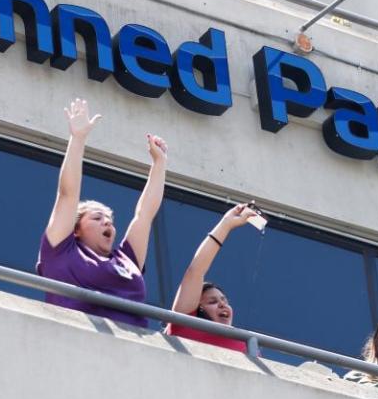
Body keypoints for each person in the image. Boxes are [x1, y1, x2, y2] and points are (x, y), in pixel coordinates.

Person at [36, 98, 166, 328]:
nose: (107, 223)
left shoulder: (126, 259)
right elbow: (67, 194)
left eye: (109, 220)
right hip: (77, 343)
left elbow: (145, 214)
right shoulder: (60, 251)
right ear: (76, 229)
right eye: (97, 218)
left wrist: (160, 163)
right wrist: (78, 138)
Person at [167, 202, 260, 352]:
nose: (223, 305)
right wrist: (226, 224)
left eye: (224, 301)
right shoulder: (184, 323)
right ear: (198, 309)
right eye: (212, 301)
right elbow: (196, 270)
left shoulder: (246, 344)